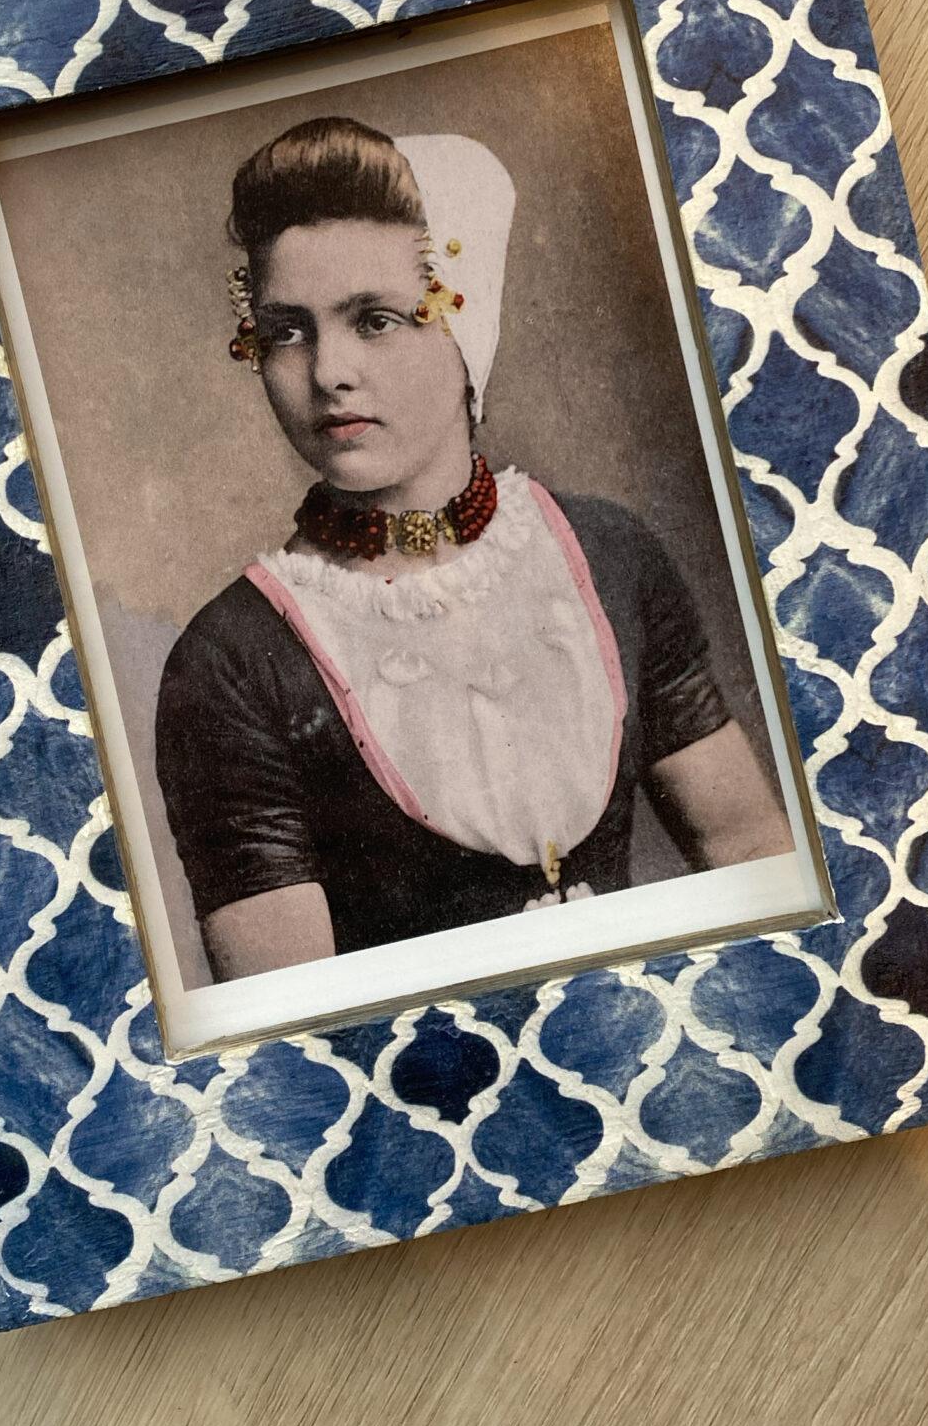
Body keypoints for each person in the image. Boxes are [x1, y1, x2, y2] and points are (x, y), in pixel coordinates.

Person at [153, 114, 793, 982]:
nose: (329, 370)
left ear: (468, 323)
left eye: (376, 320)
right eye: (288, 331)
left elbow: (750, 849)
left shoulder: (607, 553)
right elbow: (295, 1019)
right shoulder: (231, 661)